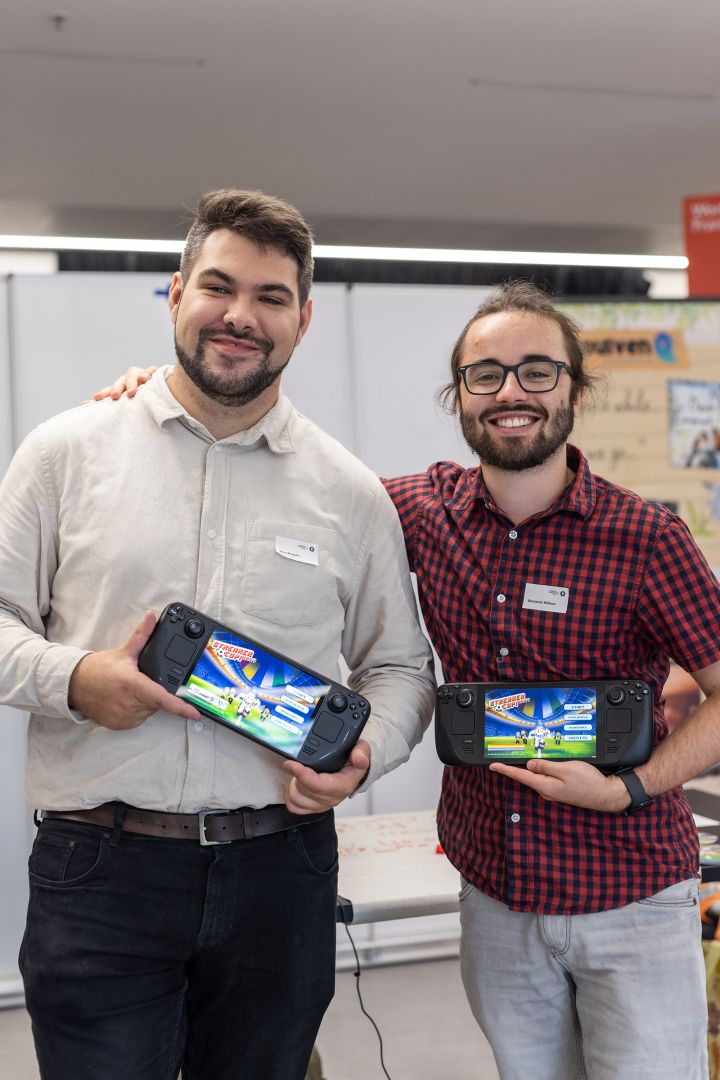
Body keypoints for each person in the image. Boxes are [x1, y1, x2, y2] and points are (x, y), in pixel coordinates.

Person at [102, 282, 720, 1079]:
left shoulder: (647, 537)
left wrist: (627, 788)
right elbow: (291, 486)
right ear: (459, 394)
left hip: (630, 891)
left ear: (574, 387)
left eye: (538, 371)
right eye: (485, 374)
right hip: (498, 895)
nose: (511, 393)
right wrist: (165, 399)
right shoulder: (418, 511)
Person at [0, 188, 435, 1080]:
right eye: (219, 287)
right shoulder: (64, 452)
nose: (241, 316)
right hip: (100, 869)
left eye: (272, 297)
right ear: (175, 293)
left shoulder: (348, 493)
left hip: (280, 873)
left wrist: (364, 753)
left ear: (304, 320)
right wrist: (77, 678)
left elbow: (399, 667)